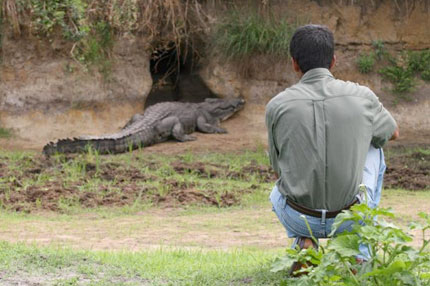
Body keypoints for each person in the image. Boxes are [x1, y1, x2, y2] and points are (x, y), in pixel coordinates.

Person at [265, 24, 399, 269]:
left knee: (278, 188)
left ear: (294, 63)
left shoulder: (277, 105)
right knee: (375, 146)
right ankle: (358, 252)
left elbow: (277, 171)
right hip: (349, 217)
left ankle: (305, 244)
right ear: (333, 61)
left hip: (298, 217)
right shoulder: (362, 96)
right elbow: (393, 132)